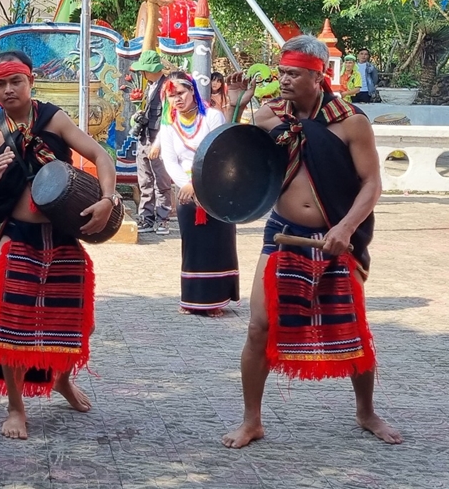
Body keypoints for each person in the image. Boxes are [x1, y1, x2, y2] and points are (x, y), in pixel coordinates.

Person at [223, 35, 400, 448]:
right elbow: (232, 156)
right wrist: (234, 104)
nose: (283, 80)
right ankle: (252, 420)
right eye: (281, 71)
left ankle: (366, 411)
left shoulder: (350, 122)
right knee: (258, 327)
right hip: (282, 233)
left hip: (338, 236)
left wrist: (345, 229)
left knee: (354, 327)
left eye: (293, 73)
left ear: (318, 77)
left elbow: (372, 184)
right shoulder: (269, 116)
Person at [0, 51, 118, 441]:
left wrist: (108, 198)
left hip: (63, 235)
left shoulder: (53, 118)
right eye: (1, 83)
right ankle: (16, 407)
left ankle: (61, 380)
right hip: (19, 238)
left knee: (76, 319)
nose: (9, 89)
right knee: (12, 323)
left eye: (16, 81)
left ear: (30, 82)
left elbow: (100, 155)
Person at [157, 71, 236, 315]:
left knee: (217, 244)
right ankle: (191, 299)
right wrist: (186, 185)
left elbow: (218, 153)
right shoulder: (169, 127)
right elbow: (169, 161)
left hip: (215, 189)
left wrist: (197, 184)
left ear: (192, 92)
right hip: (186, 194)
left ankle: (216, 301)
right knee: (192, 245)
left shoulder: (212, 116)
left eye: (181, 93)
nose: (177, 99)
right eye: (172, 96)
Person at [130, 50, 172, 233]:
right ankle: (146, 217)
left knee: (161, 182)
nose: (142, 75)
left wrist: (159, 144)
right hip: (144, 138)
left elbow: (168, 118)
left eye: (144, 71)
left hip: (158, 141)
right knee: (145, 180)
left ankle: (162, 219)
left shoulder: (167, 88)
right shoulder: (151, 87)